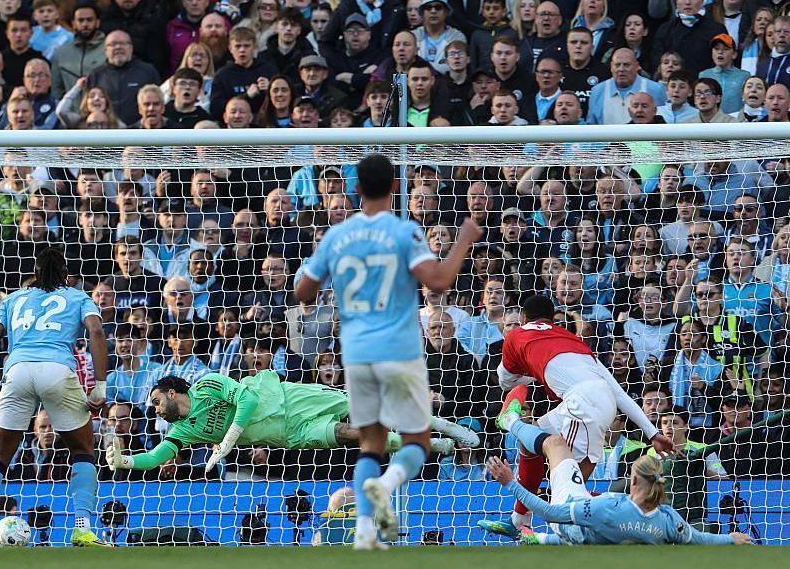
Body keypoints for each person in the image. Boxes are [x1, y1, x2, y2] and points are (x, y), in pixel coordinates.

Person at [293, 153, 482, 549]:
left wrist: (328, 265)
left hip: (356, 353)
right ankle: (387, 483)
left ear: (356, 188)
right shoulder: (403, 231)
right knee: (418, 441)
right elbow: (439, 281)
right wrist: (465, 238)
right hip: (399, 349)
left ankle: (364, 531)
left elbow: (302, 291)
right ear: (396, 187)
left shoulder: (337, 236)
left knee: (371, 444)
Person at [478, 295, 673, 539]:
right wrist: (652, 433)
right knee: (532, 440)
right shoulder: (573, 340)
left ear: (524, 318)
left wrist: (532, 371)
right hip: (593, 402)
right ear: (552, 319)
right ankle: (519, 519)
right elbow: (618, 393)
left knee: (568, 496)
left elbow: (506, 382)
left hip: (583, 406)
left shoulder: (516, 335)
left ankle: (638, 521)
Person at [0, 248, 110, 547]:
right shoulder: (78, 297)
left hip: (17, 372)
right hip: (57, 370)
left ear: (35, 274)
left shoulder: (13, 299)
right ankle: (82, 528)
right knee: (82, 450)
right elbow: (96, 333)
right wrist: (100, 385)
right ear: (66, 275)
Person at [105, 371, 476, 472]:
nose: (155, 410)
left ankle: (439, 424)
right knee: (354, 435)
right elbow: (157, 456)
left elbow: (247, 399)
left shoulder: (207, 385)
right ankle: (430, 443)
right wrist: (126, 461)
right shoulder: (184, 430)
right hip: (289, 433)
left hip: (290, 398)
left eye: (157, 402)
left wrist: (229, 439)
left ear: (172, 393)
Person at [484, 432, 752, 545]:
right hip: (590, 538)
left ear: (633, 481)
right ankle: (534, 539)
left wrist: (510, 482)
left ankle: (511, 421)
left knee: (554, 443)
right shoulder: (668, 519)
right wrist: (731, 538)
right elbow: (698, 538)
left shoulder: (609, 506)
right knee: (596, 533)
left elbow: (550, 513)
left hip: (569, 520)